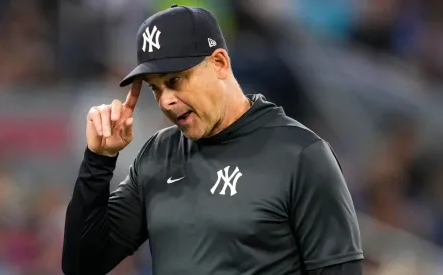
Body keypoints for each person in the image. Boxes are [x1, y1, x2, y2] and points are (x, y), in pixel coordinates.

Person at [62, 4, 364, 275]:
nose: (166, 101)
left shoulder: (301, 155)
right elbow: (82, 265)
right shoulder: (157, 155)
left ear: (219, 62)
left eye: (175, 81)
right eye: (155, 88)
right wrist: (98, 161)